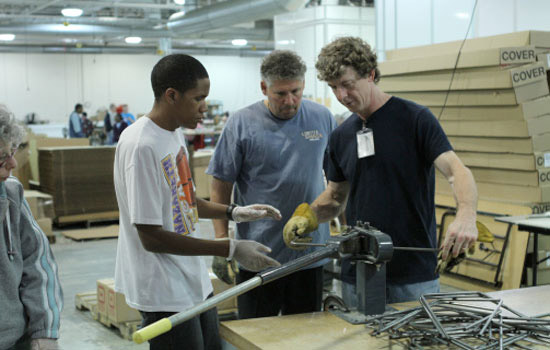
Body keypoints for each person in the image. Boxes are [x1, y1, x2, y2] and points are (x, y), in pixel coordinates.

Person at [283, 37, 478, 305]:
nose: (341, 96)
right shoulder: (341, 136)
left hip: (413, 275)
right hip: (359, 272)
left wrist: (466, 215)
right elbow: (336, 198)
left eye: (348, 85)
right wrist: (308, 217)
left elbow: (457, 171)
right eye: (334, 87)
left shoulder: (415, 119)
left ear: (371, 75)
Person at [113, 54, 282, 350]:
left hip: (190, 278)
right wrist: (229, 248)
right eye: (198, 99)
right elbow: (150, 237)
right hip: (162, 290)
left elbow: (185, 198)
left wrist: (235, 212)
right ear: (171, 95)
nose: (204, 107)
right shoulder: (141, 146)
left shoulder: (174, 133)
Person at [206, 50, 336, 319]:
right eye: (280, 94)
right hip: (258, 254)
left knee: (304, 336)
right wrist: (221, 242)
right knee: (256, 334)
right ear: (264, 87)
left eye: (296, 91)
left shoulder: (322, 118)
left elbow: (338, 179)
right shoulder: (241, 124)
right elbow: (220, 185)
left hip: (309, 253)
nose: (290, 101)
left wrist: (343, 224)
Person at [0, 105, 63, 350]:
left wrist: (44, 331)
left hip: (17, 341)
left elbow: (38, 263)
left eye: (11, 152)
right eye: (2, 157)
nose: (13, 163)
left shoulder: (11, 194)